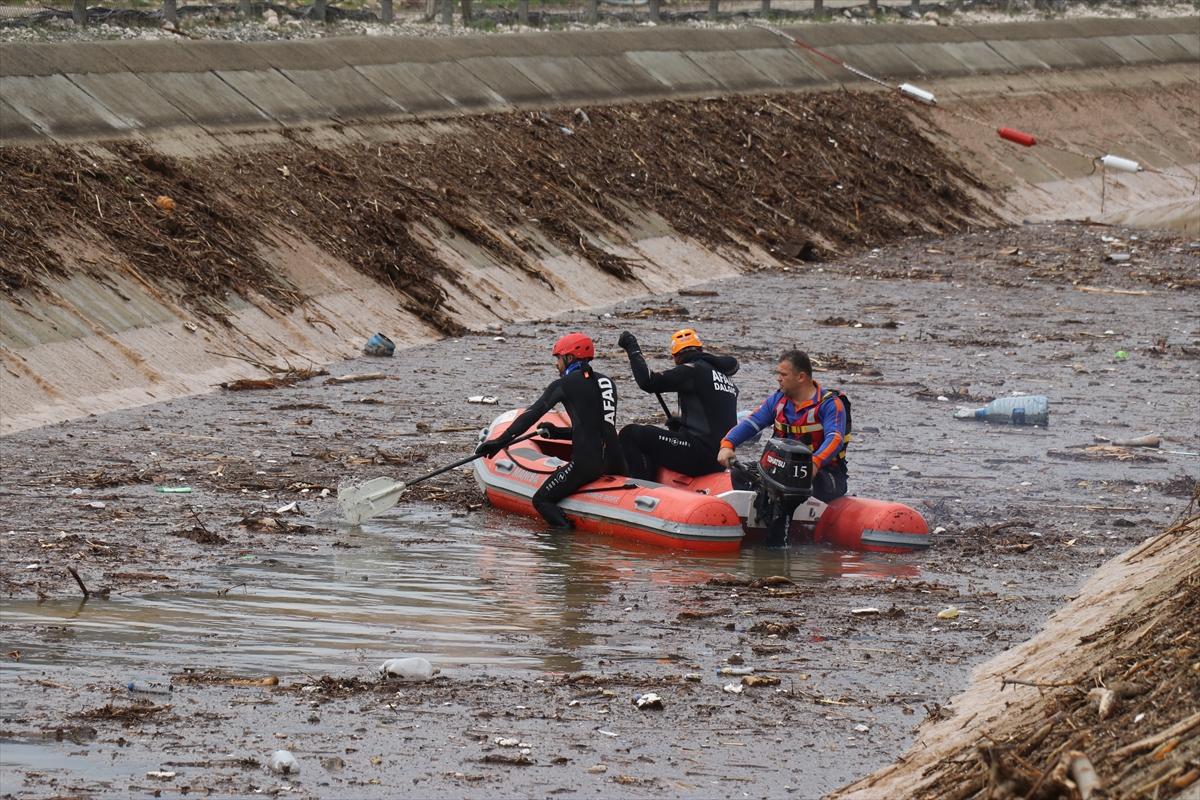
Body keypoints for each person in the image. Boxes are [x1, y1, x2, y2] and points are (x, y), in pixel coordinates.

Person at [476, 332, 626, 529]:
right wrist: (557, 433)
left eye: (558, 358)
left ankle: (565, 549)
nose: (557, 364)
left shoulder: (564, 384)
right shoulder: (607, 382)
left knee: (542, 501)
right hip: (616, 460)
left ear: (570, 358)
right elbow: (596, 427)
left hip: (587, 465)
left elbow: (532, 414)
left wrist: (500, 442)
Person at [717, 350, 850, 543]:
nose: (778, 379)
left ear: (801, 377)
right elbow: (752, 423)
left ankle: (785, 541)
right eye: (778, 374)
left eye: (783, 375)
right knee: (741, 473)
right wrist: (727, 444)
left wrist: (815, 462)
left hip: (825, 475)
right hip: (781, 471)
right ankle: (758, 526)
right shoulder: (778, 400)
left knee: (790, 490)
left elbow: (835, 438)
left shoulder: (830, 405)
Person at [615, 328, 740, 481]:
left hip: (699, 456)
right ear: (700, 349)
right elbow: (714, 418)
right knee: (655, 437)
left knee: (630, 434)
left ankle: (639, 488)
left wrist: (632, 348)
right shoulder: (725, 379)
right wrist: (682, 425)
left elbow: (648, 382)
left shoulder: (692, 370)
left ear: (676, 357)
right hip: (721, 457)